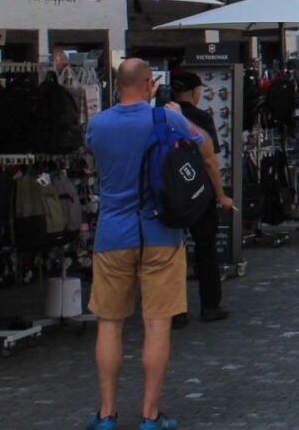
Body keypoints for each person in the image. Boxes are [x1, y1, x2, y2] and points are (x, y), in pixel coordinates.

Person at [86, 59, 232, 430]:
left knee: (110, 323)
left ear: (117, 85)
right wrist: (173, 114)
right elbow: (207, 148)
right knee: (157, 324)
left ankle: (106, 413)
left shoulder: (98, 125)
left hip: (113, 234)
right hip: (160, 233)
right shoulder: (167, 119)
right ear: (150, 83)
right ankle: (150, 414)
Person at [166, 74, 228, 326]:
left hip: (169, 190)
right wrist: (221, 194)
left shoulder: (162, 115)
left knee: (171, 252)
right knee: (206, 249)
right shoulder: (201, 118)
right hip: (199, 190)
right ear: (195, 92)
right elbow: (210, 160)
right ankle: (210, 306)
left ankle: (176, 311)